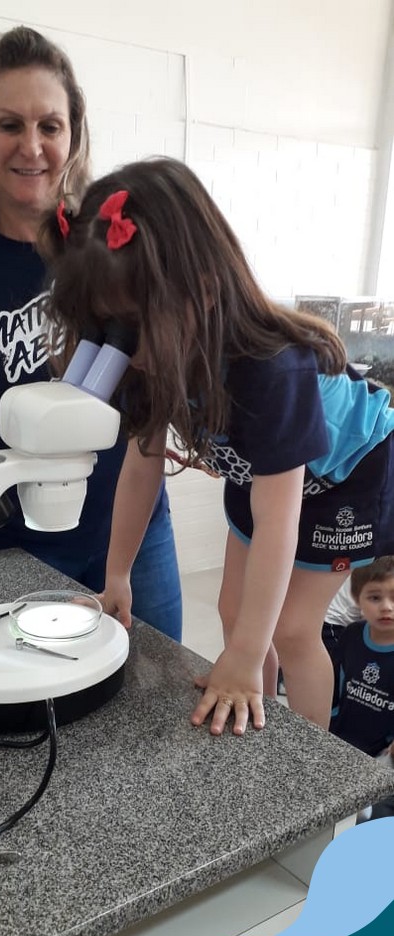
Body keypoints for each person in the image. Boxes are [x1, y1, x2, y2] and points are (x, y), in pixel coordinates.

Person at [39, 156, 394, 737]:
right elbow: (141, 465)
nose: (119, 350)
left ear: (201, 293)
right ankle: (262, 714)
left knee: (291, 629)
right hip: (263, 471)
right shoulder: (151, 355)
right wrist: (117, 577)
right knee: (235, 612)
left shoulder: (271, 370)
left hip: (349, 472)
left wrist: (246, 656)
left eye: (128, 325)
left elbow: (278, 521)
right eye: (104, 328)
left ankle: (312, 763)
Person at [0, 27, 182, 641]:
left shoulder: (115, 245)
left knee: (156, 685)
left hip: (132, 528)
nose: (32, 147)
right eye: (9, 124)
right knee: (25, 690)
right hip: (10, 535)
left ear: (73, 134)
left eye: (50, 125)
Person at [329, 558, 394, 820]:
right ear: (358, 600)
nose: (386, 607)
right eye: (375, 597)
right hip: (342, 743)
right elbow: (333, 685)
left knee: (372, 818)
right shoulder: (351, 635)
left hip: (383, 755)